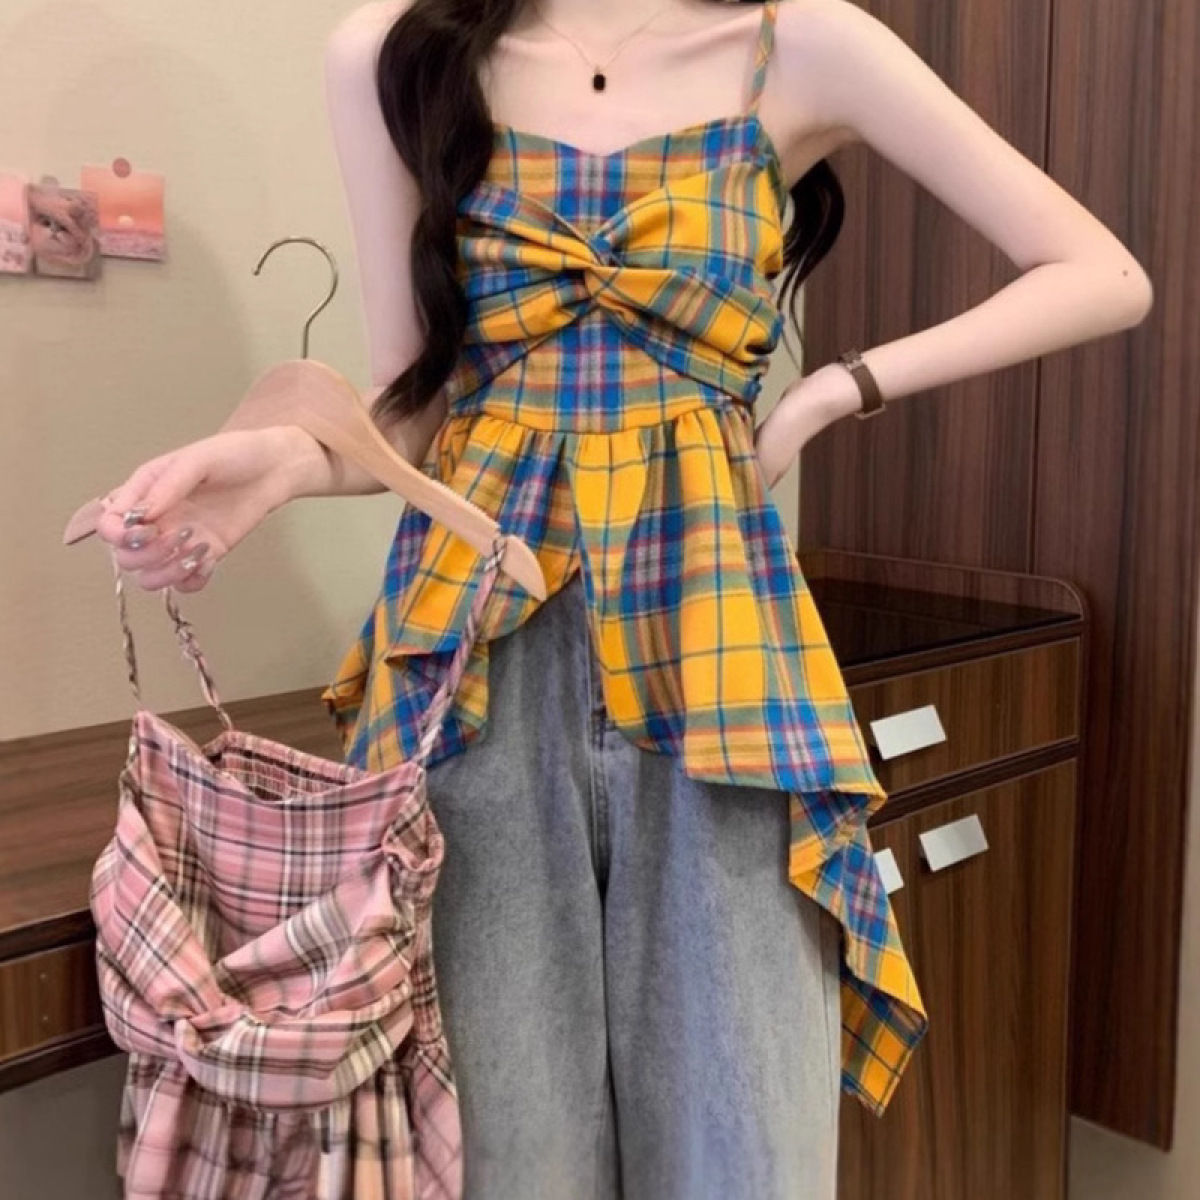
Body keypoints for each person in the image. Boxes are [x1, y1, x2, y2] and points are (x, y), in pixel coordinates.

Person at [95, 1, 1152, 1196]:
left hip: (720, 661)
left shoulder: (802, 45)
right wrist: (285, 460)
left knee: (743, 1154)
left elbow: (1101, 273)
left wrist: (825, 394)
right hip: (472, 670)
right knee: (502, 1159)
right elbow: (414, 400)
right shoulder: (397, 53)